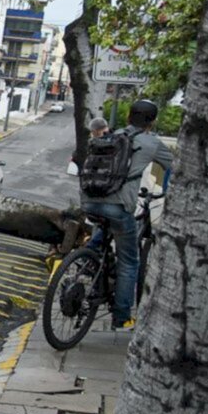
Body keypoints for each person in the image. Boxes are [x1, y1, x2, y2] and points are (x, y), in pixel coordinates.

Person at [81, 99, 173, 332]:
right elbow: (177, 166)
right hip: (119, 206)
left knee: (107, 226)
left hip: (89, 201)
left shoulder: (111, 135)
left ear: (129, 116)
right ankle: (122, 318)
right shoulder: (151, 142)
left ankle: (88, 257)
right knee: (130, 262)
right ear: (152, 122)